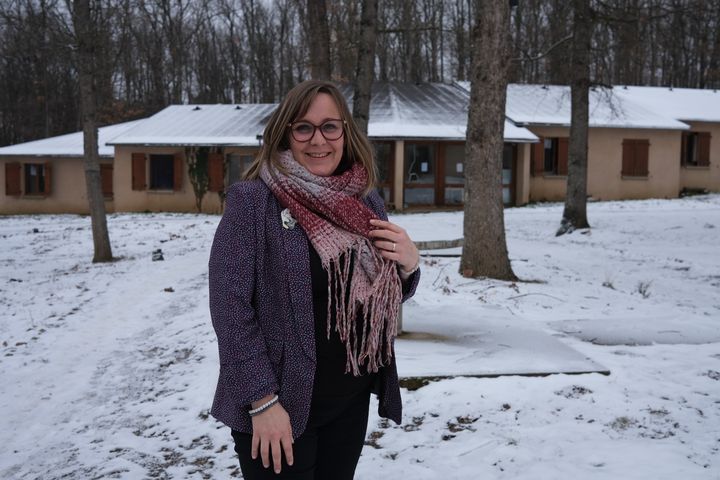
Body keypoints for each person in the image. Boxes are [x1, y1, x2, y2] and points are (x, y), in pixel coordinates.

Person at [208, 79, 420, 479]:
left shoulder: (365, 201)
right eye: (303, 127)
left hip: (349, 400)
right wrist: (262, 402)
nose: (317, 139)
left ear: (344, 132)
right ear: (285, 133)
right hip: (279, 408)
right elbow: (229, 308)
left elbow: (378, 294)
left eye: (329, 126)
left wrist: (408, 266)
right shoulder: (253, 202)